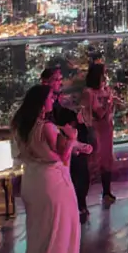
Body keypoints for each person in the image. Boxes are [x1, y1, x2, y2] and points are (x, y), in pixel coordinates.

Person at [11, 84, 82, 253]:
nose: (54, 100)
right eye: (51, 97)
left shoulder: (20, 125)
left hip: (31, 181)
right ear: (43, 102)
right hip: (52, 184)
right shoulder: (47, 128)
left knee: (38, 239)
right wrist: (71, 140)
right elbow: (60, 158)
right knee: (58, 237)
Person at [42, 67, 94, 224]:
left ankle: (80, 205)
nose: (59, 82)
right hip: (59, 145)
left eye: (60, 79)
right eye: (56, 79)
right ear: (45, 82)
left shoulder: (61, 98)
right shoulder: (45, 101)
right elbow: (49, 124)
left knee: (81, 173)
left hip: (70, 140)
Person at [81, 63, 118, 206]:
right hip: (96, 129)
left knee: (107, 160)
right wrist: (109, 101)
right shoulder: (89, 93)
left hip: (107, 128)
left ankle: (107, 191)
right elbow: (99, 113)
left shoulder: (105, 90)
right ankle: (82, 200)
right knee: (94, 161)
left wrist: (112, 102)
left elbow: (109, 112)